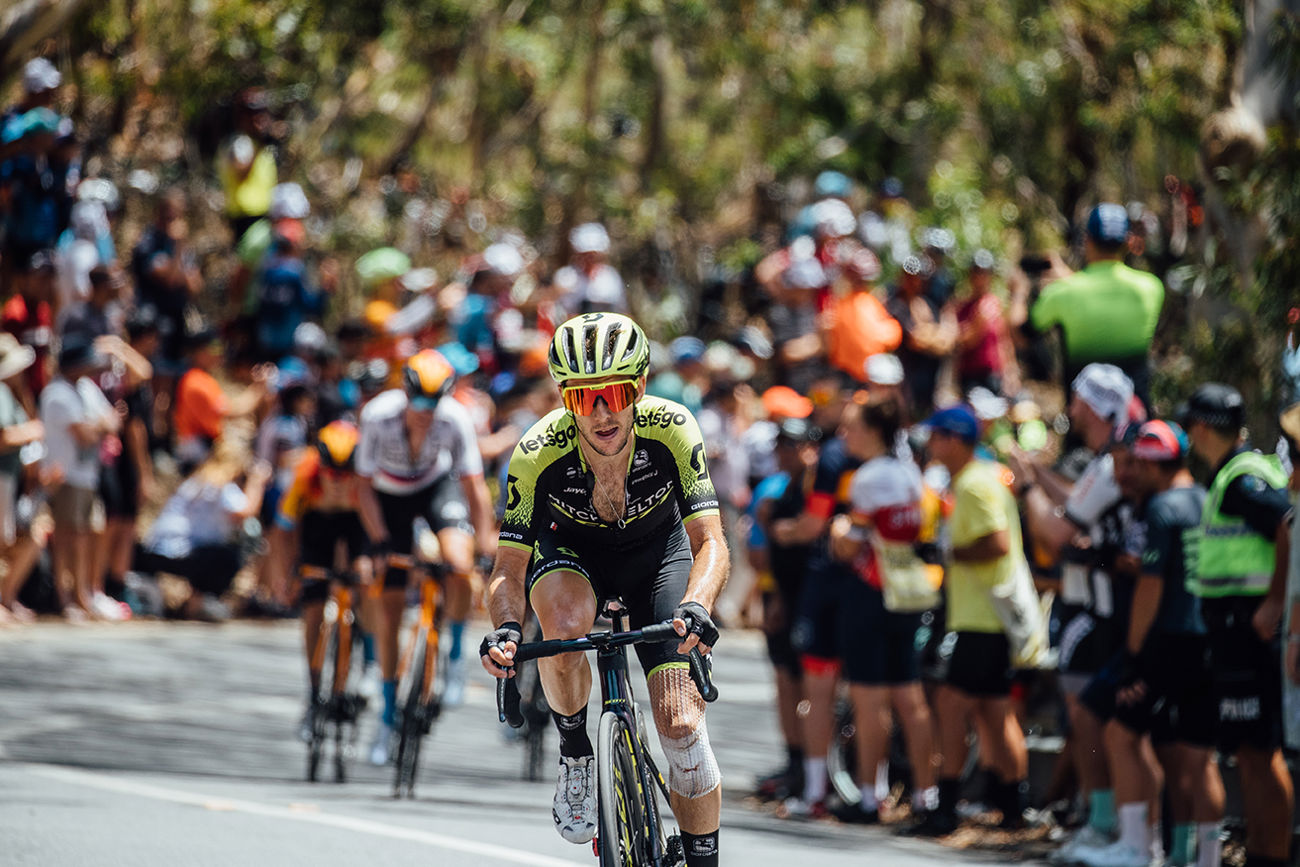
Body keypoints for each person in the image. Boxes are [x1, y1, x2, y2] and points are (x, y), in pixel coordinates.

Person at [480, 313, 728, 866]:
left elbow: (710, 539)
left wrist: (697, 604)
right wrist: (505, 630)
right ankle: (575, 752)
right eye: (582, 397)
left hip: (656, 557)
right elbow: (507, 568)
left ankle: (702, 857)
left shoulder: (673, 427)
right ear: (565, 400)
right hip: (572, 557)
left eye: (613, 392)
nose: (600, 412)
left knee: (682, 726)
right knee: (565, 627)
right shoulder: (536, 452)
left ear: (638, 387)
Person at [1089, 421, 1223, 867]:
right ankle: (1205, 857)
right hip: (1208, 639)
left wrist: (1133, 655)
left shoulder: (1162, 508)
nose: (1133, 472)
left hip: (1167, 642)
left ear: (1153, 463)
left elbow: (1150, 587)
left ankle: (1136, 846)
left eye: (1138, 463)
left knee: (1121, 733)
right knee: (1199, 758)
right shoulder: (1208, 499)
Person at [356, 349, 495, 763]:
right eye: (419, 402)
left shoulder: (454, 419)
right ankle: (385, 715)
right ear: (405, 393)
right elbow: (361, 487)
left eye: (434, 403)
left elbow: (474, 487)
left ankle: (453, 654)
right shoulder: (377, 416)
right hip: (389, 496)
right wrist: (379, 538)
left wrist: (486, 543)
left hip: (436, 487)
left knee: (458, 560)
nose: (426, 412)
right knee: (391, 604)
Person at [1182, 383, 1294, 867]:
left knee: (1261, 752)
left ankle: (1274, 855)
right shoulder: (1233, 472)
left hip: (1251, 630)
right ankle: (1260, 853)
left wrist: (1272, 603)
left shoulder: (1243, 479)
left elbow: (1287, 524)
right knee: (1248, 754)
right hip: (1234, 629)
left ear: (1202, 428)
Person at [827, 398, 939, 827]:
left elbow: (850, 544)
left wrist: (840, 530)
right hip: (907, 594)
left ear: (873, 430)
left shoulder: (867, 478)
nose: (845, 435)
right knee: (910, 697)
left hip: (871, 592)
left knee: (869, 698)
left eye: (852, 427)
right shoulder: (910, 473)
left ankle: (871, 796)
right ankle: (926, 795)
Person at [925, 404, 1031, 835]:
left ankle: (947, 803)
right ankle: (1012, 803)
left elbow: (998, 543)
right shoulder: (973, 480)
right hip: (982, 617)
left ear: (952, 439)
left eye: (935, 436)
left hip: (982, 619)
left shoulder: (974, 483)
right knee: (994, 711)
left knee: (953, 705)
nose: (930, 444)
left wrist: (949, 554)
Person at [274, 421, 371, 739]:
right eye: (333, 473)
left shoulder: (368, 478)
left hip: (356, 526)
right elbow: (284, 531)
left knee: (365, 585)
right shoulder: (306, 474)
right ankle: (315, 690)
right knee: (313, 607)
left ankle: (361, 665)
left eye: (347, 474)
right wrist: (286, 574)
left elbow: (376, 531)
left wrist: (367, 570)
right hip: (317, 527)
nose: (340, 482)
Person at [1028, 203, 1164, 405]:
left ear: (1087, 240)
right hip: (1135, 421)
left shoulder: (1061, 293)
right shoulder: (1151, 288)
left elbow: (1028, 330)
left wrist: (1021, 290)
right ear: (1127, 241)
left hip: (1085, 424)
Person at [136, 440, 271, 621]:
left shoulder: (198, 479)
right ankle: (197, 604)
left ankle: (193, 601)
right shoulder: (221, 484)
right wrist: (257, 482)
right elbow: (245, 513)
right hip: (178, 552)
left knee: (216, 549)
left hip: (157, 548)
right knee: (229, 557)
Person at [41, 335, 121, 621]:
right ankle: (65, 598)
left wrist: (98, 425)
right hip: (67, 475)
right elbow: (86, 436)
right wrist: (99, 426)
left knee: (89, 534)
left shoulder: (86, 388)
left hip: (88, 476)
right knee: (66, 537)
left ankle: (84, 594)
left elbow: (115, 419)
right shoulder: (57, 393)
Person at [172, 328, 271, 474]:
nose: (219, 354)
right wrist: (259, 386)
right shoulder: (194, 381)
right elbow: (235, 410)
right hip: (196, 453)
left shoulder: (204, 378)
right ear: (200, 352)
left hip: (204, 447)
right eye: (214, 348)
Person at [0, 334, 45, 623]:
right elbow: (3, 437)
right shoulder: (1, 393)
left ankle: (6, 597)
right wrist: (34, 431)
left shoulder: (12, 394)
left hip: (11, 476)